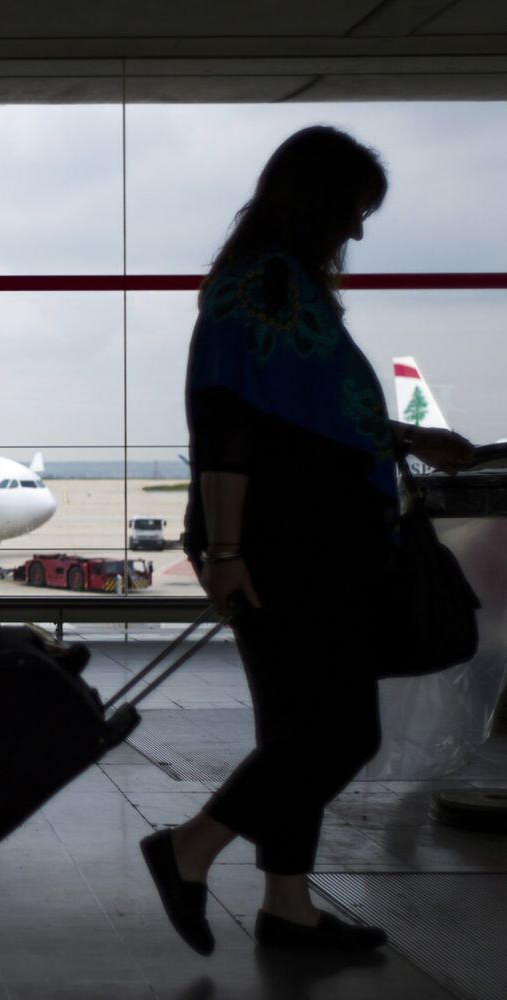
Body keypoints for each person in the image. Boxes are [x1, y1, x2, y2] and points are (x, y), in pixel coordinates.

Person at [142, 126, 477, 954]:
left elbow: (307, 415)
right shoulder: (258, 288)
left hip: (305, 539)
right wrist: (225, 553)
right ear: (315, 201)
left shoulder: (281, 284)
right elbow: (225, 424)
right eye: (354, 210)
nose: (357, 231)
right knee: (338, 733)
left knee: (296, 728)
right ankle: (188, 851)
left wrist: (402, 436)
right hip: (288, 545)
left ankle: (287, 907)